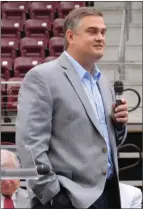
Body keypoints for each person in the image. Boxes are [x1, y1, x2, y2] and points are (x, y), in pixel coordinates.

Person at [16, 7, 128, 209]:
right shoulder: (42, 77)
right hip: (66, 199)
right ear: (71, 36)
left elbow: (102, 145)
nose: (100, 37)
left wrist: (118, 126)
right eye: (92, 31)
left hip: (108, 194)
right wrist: (51, 195)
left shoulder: (103, 82)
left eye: (103, 32)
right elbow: (29, 145)